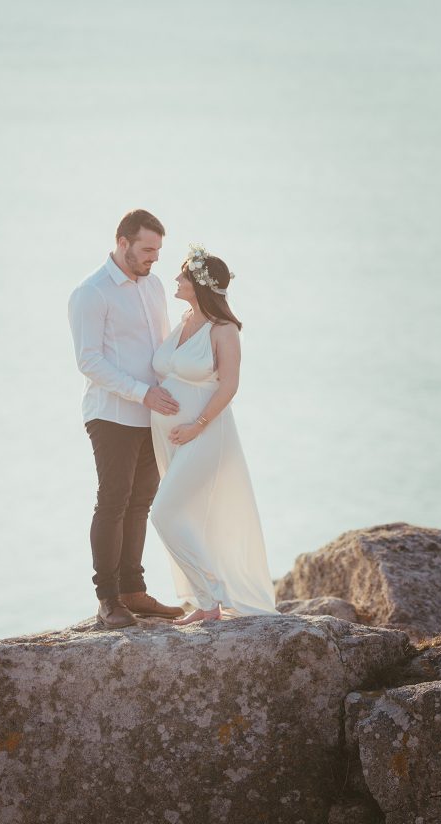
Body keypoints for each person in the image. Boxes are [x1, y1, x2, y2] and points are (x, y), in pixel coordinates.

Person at [68, 209, 185, 630]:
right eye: (147, 249)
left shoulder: (153, 286)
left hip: (152, 416)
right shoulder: (91, 292)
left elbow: (160, 348)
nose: (154, 258)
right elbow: (89, 361)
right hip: (112, 414)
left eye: (157, 250)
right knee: (113, 502)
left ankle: (134, 591)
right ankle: (109, 599)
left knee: (140, 504)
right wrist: (141, 393)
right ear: (123, 242)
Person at [150, 243, 278, 624]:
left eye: (183, 275)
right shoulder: (184, 320)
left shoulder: (224, 330)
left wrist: (195, 426)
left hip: (206, 434)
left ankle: (212, 597)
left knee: (163, 513)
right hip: (171, 437)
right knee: (187, 515)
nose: (175, 278)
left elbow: (229, 386)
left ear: (200, 284)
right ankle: (207, 603)